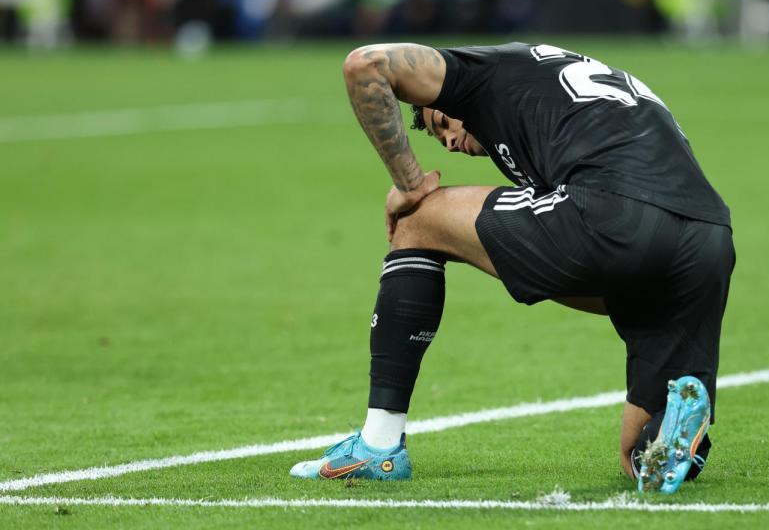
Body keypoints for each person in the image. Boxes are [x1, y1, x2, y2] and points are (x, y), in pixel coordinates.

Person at [289, 42, 735, 494]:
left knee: (418, 219)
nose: (446, 140)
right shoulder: (562, 91)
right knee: (635, 458)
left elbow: (364, 64)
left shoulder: (483, 73)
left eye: (441, 120)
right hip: (707, 240)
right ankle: (673, 427)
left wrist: (409, 182)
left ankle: (378, 445)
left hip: (614, 213)